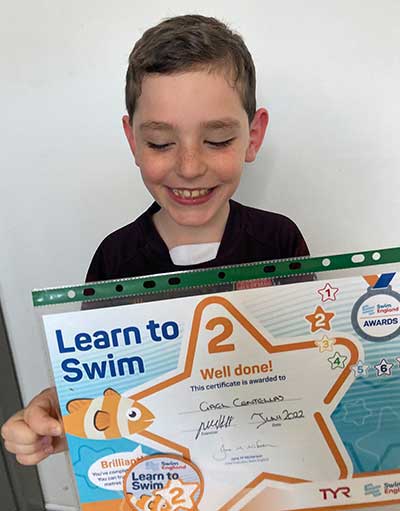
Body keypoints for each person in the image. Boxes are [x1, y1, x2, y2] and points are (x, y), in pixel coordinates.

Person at [1, 14, 308, 465]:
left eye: (218, 139)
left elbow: (312, 366)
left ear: (252, 136)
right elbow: (98, 388)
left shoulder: (279, 240)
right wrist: (55, 414)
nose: (188, 167)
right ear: (132, 141)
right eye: (161, 143)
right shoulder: (115, 259)